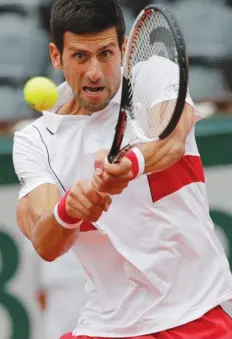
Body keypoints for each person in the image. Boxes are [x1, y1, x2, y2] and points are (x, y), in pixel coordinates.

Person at [13, 0, 232, 338]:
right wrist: (68, 209)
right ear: (56, 57)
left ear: (125, 47)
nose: (94, 72)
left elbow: (171, 138)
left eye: (105, 53)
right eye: (80, 56)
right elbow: (45, 241)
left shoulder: (152, 74)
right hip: (107, 326)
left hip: (195, 315)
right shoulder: (35, 141)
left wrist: (132, 164)